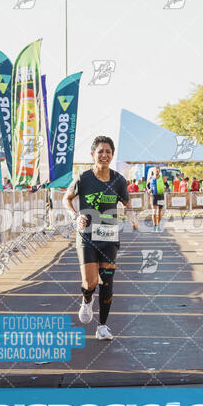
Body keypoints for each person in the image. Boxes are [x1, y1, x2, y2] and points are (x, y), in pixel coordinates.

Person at [63, 136, 139, 341]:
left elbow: (127, 204)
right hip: (86, 235)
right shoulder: (83, 178)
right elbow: (66, 198)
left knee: (107, 282)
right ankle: (87, 299)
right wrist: (75, 216)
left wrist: (133, 219)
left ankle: (102, 327)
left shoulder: (119, 180)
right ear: (93, 155)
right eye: (100, 151)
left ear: (112, 155)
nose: (104, 155)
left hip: (108, 234)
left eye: (108, 152)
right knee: (90, 282)